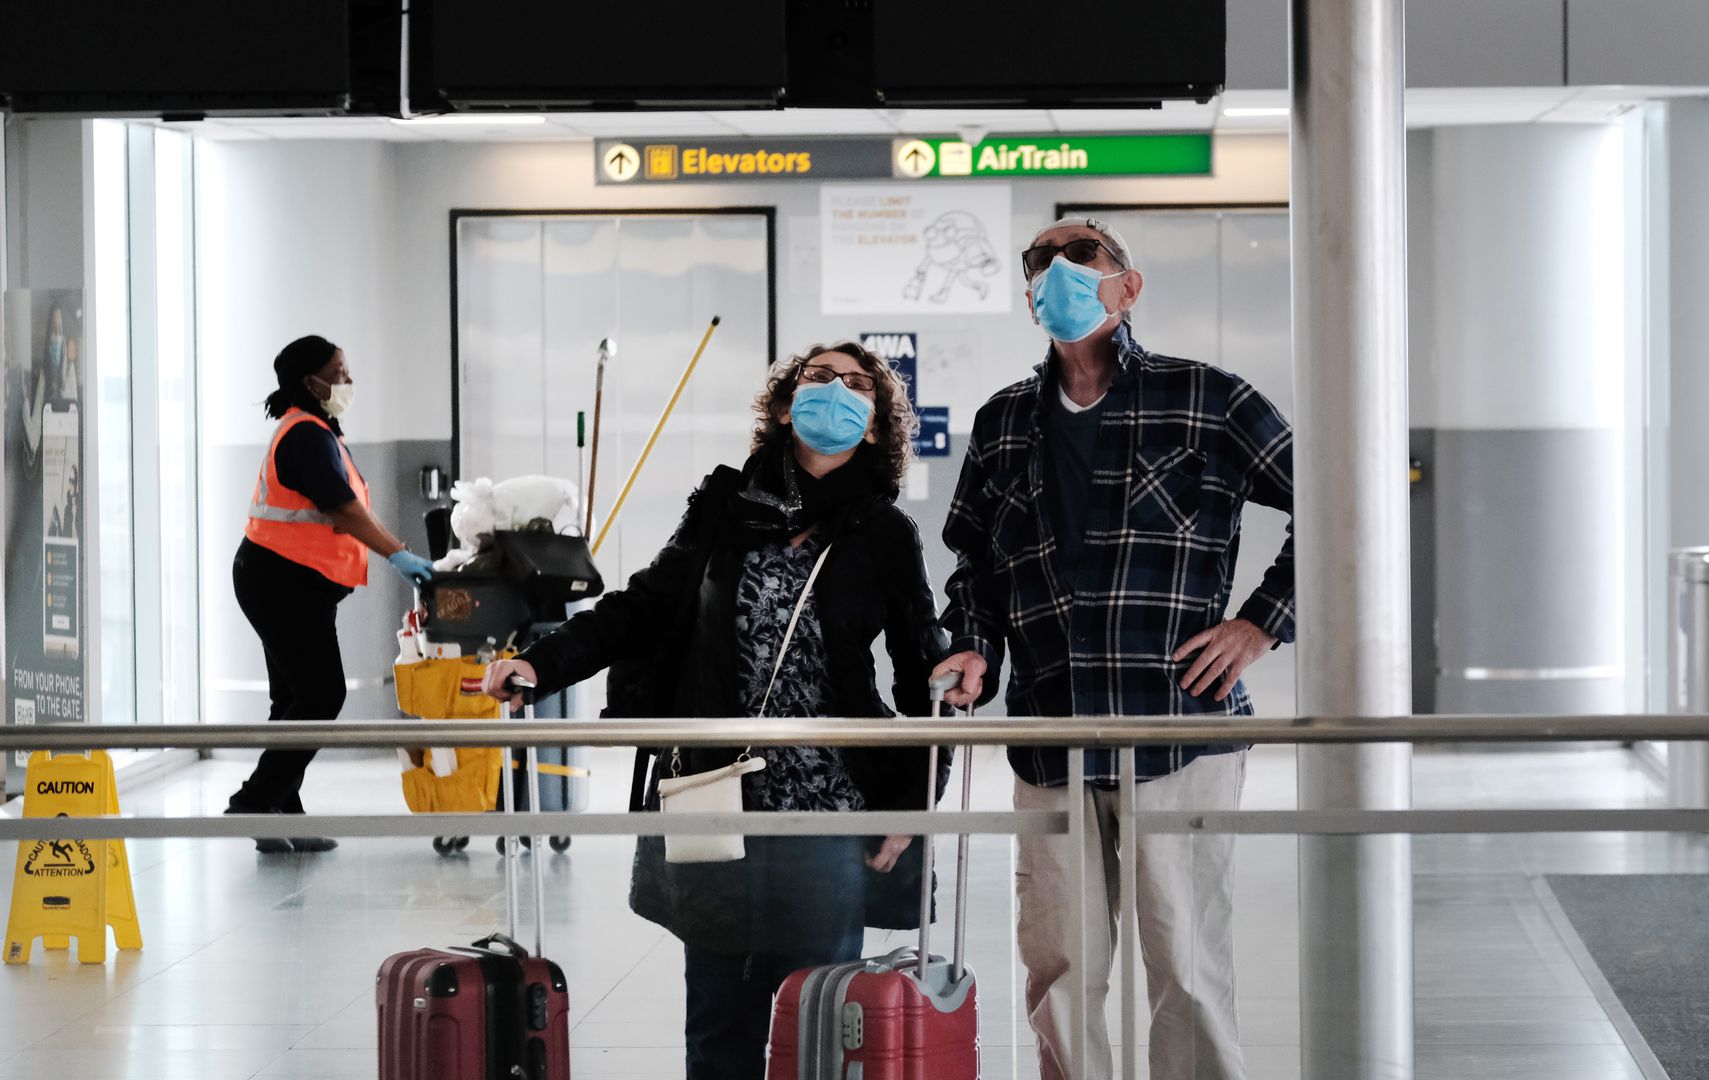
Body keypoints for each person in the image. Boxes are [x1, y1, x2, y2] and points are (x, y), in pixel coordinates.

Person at [482, 342, 948, 1080]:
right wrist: (541, 663)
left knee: (821, 1025)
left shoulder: (884, 533)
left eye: (856, 385)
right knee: (718, 1029)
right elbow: (643, 606)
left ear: (870, 426)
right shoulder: (724, 508)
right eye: (819, 376)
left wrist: (911, 800)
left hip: (827, 813)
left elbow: (923, 669)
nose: (836, 388)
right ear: (788, 405)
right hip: (717, 800)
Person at [934, 218, 1296, 1080]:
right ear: (1028, 298)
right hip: (1049, 735)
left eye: (1080, 256)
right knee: (1059, 967)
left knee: (1186, 965)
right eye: (1038, 264)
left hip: (1177, 728)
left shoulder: (1206, 397)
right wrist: (977, 645)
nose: (1055, 271)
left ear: (1128, 288)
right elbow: (974, 562)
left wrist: (1260, 621)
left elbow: (1338, 496)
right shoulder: (1004, 421)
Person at [226, 335, 435, 853]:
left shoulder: (315, 430)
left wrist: (392, 550)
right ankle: (254, 801)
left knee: (293, 698)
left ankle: (280, 817)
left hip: (285, 579)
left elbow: (344, 509)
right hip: (280, 582)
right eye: (339, 372)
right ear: (309, 381)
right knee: (322, 694)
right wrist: (398, 555)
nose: (347, 381)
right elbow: (343, 510)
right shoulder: (304, 436)